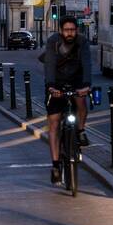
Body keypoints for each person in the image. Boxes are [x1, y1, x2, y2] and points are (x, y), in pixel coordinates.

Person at [41, 15, 92, 184]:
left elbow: (87, 63)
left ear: (76, 30)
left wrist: (86, 85)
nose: (70, 33)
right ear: (61, 30)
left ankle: (80, 130)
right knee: (54, 123)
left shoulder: (82, 41)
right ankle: (56, 165)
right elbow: (49, 64)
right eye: (66, 30)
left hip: (76, 81)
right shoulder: (53, 42)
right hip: (56, 84)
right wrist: (50, 86)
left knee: (81, 102)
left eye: (72, 30)